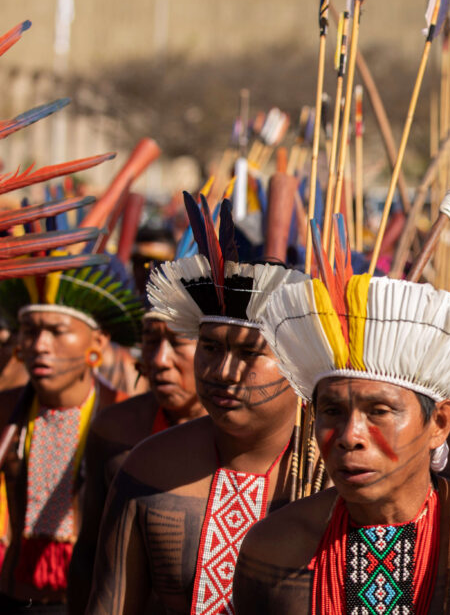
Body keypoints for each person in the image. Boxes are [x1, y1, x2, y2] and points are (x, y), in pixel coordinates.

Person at [234, 271, 450, 613]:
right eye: (332, 410)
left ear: (439, 423)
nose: (349, 436)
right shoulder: (273, 547)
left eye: (379, 411)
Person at [86, 197, 307, 614]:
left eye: (248, 353)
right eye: (209, 346)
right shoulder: (147, 468)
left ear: (298, 363)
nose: (223, 371)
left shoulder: (337, 480)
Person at [0, 257, 144, 612]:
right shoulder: (5, 412)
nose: (40, 345)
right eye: (30, 331)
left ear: (97, 341)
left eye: (56, 331)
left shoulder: (127, 421)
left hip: (88, 599)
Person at [68, 311, 206, 613]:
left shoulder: (244, 439)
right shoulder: (114, 429)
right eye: (150, 341)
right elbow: (89, 550)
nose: (159, 359)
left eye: (178, 341)